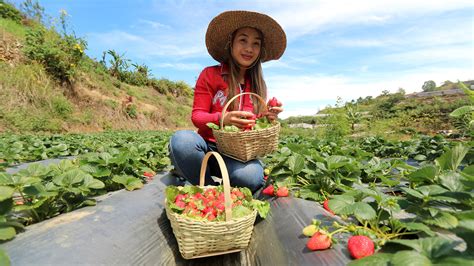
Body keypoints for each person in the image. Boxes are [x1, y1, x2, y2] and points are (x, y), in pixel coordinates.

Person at [168, 10, 286, 193]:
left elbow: (253, 124)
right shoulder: (210, 74)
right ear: (231, 43)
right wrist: (224, 118)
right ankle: (209, 188)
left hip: (237, 155)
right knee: (181, 142)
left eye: (256, 43)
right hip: (207, 146)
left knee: (251, 176)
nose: (249, 48)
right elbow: (197, 116)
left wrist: (268, 116)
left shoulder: (257, 85)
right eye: (243, 40)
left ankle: (226, 185)